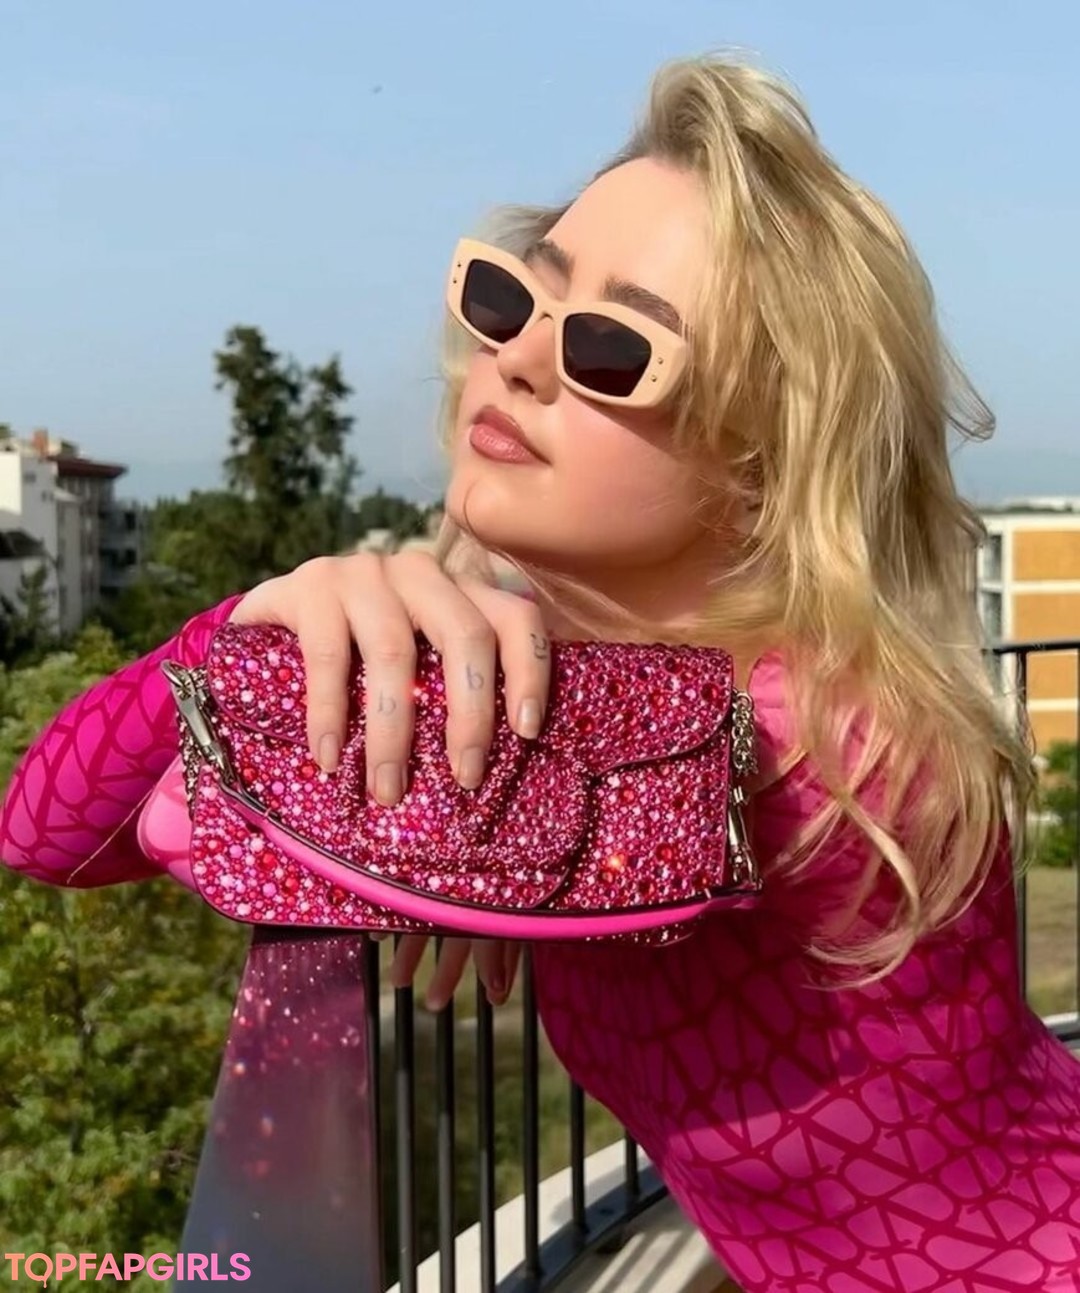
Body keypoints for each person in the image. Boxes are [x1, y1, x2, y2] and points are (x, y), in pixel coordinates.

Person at [3, 53, 1079, 1293]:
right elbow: (47, 831)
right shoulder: (621, 695)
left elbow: (80, 828)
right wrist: (264, 620)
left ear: (763, 464)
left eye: (614, 348)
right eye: (517, 299)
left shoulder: (789, 738)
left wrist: (267, 661)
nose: (517, 360)